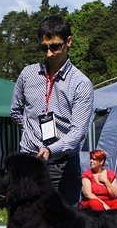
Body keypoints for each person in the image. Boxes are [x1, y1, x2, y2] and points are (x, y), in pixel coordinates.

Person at [10, 15, 94, 206]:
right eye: (44, 47)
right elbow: (15, 111)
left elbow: (78, 132)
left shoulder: (81, 84)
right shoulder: (27, 74)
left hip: (62, 166)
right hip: (28, 161)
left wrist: (50, 149)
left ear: (69, 42)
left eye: (55, 46)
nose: (49, 53)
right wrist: (31, 134)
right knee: (26, 225)